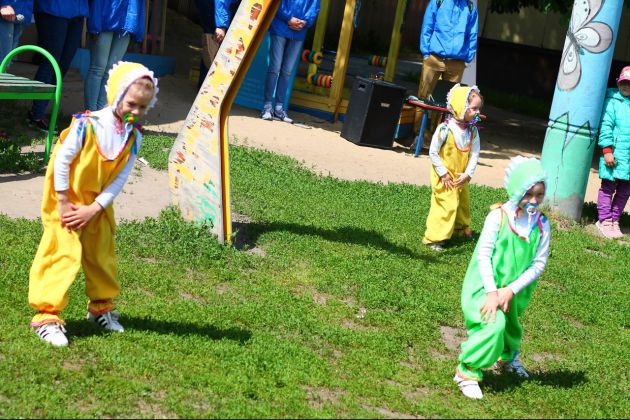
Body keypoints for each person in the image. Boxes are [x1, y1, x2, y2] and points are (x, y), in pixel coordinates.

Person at [29, 62, 158, 347]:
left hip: (96, 206)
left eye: (143, 107)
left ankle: (100, 307)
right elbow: (62, 162)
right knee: (61, 252)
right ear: (117, 95)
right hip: (66, 201)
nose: (136, 111)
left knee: (101, 254)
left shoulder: (133, 137)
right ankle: (46, 316)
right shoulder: (87, 125)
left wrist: (95, 208)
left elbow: (119, 178)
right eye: (131, 104)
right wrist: (64, 202)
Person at [454, 156, 550, 400]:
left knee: (511, 326)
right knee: (493, 325)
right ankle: (467, 371)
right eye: (528, 194)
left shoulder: (542, 224)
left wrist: (511, 290)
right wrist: (492, 292)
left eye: (539, 195)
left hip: (515, 291)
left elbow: (539, 263)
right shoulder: (497, 217)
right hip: (485, 286)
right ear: (517, 190)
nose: (534, 200)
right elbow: (484, 255)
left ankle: (507, 358)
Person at [422, 84, 482, 251]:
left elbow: (475, 154)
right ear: (461, 107)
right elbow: (433, 152)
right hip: (445, 177)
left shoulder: (473, 131)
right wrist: (443, 173)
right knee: (445, 205)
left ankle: (459, 230)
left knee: (462, 204)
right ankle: (434, 238)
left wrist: (468, 174)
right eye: (474, 109)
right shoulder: (445, 129)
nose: (478, 112)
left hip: (461, 177)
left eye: (479, 108)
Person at [412, 0, 478, 149]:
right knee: (423, 97)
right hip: (434, 58)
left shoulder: (470, 8)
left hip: (456, 62)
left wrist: (468, 58)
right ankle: (418, 136)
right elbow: (427, 26)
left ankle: (438, 139)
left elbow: (472, 34)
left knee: (449, 103)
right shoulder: (438, 2)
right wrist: (426, 52)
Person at [27, 0, 89, 132]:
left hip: (78, 12)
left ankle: (39, 111)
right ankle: (36, 114)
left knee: (62, 65)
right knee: (50, 63)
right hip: (52, 9)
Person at [261, 0, 320, 123]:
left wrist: (305, 22)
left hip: (299, 32)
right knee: (275, 68)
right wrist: (288, 18)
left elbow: (314, 7)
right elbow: (276, 3)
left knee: (287, 71)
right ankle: (267, 107)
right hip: (280, 27)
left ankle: (279, 109)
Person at [85, 0, 146, 110]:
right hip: (104, 19)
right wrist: (94, 25)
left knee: (111, 71)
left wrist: (138, 32)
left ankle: (102, 112)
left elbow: (140, 4)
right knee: (98, 68)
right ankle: (91, 114)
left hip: (126, 25)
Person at [595, 65, 630, 239]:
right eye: (623, 82)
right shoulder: (612, 102)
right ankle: (604, 220)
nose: (626, 86)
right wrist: (607, 151)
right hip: (614, 155)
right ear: (618, 82)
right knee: (608, 187)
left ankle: (614, 220)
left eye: (629, 84)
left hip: (628, 158)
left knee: (625, 191)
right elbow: (606, 127)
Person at [0, 0, 33, 67]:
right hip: (5, 12)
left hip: (20, 14)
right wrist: (4, 4)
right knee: (3, 61)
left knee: (6, 62)